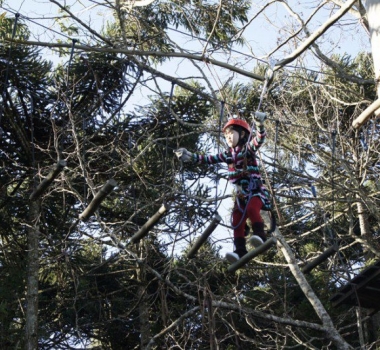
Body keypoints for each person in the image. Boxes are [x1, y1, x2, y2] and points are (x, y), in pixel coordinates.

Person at [175, 112, 270, 262]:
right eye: (226, 136)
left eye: (232, 133)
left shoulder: (247, 149)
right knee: (236, 220)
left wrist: (259, 125)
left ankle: (260, 235)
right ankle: (240, 251)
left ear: (242, 134)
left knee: (252, 209)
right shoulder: (227, 155)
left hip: (255, 191)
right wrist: (190, 156)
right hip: (241, 195)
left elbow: (259, 140)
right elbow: (208, 159)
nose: (229, 137)